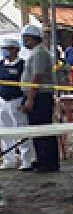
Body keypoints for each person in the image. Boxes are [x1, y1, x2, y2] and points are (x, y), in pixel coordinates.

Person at [20, 23, 58, 173]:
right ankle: (42, 159)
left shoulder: (39, 53)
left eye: (26, 39)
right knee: (37, 129)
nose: (25, 42)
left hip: (40, 96)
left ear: (33, 38)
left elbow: (37, 77)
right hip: (36, 95)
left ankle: (47, 163)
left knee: (42, 128)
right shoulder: (35, 52)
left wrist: (30, 99)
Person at [0, 35, 34, 171]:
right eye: (3, 49)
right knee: (5, 131)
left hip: (17, 100)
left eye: (7, 49)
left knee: (21, 130)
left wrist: (26, 101)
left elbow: (28, 85)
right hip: (2, 101)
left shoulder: (23, 65)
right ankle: (10, 159)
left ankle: (27, 160)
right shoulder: (1, 64)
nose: (5, 51)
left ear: (16, 50)